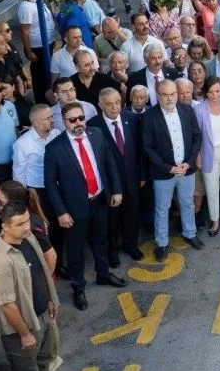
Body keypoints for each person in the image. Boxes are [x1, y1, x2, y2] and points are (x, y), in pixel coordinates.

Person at [0, 200, 73, 371]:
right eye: (19, 224)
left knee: (45, 359)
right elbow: (7, 305)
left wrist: (50, 299)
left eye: (26, 220)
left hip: (43, 314)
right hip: (23, 327)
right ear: (4, 226)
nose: (26, 226)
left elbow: (42, 271)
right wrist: (25, 333)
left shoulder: (30, 239)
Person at [43, 101, 126, 311]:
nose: (78, 123)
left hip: (99, 199)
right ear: (64, 122)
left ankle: (103, 274)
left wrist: (116, 190)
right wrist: (61, 212)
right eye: (72, 120)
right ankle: (78, 288)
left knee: (101, 240)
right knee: (76, 250)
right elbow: (50, 184)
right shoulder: (54, 148)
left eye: (81, 118)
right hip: (74, 209)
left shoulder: (97, 135)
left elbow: (109, 164)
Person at [141, 79, 204, 260]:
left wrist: (189, 162)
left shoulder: (187, 110)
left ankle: (190, 233)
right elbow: (147, 147)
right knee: (162, 208)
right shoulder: (149, 116)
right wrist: (168, 168)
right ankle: (162, 243)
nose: (169, 98)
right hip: (163, 173)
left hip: (186, 170)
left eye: (172, 94)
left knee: (187, 203)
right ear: (158, 95)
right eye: (165, 95)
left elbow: (197, 137)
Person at [88, 88, 144, 262]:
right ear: (100, 105)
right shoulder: (93, 125)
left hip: (133, 179)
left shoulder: (132, 120)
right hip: (110, 183)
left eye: (117, 102)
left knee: (132, 214)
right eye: (109, 104)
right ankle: (112, 251)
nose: (114, 107)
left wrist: (142, 176)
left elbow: (140, 150)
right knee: (112, 219)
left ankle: (131, 245)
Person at [194, 79, 220, 236]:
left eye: (217, 91)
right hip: (208, 153)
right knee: (212, 190)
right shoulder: (199, 110)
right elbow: (196, 136)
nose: (214, 95)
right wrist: (198, 156)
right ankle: (215, 220)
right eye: (211, 92)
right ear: (205, 92)